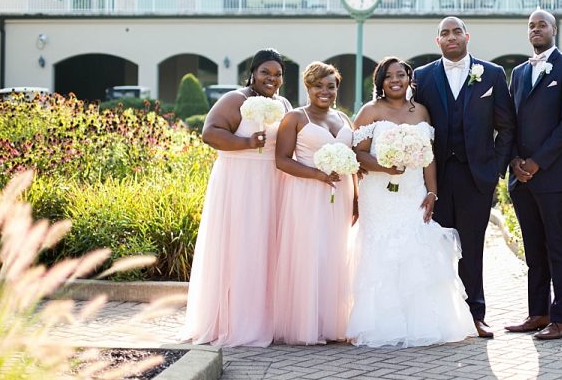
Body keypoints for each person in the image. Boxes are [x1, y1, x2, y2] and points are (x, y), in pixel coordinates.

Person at [346, 57, 476, 347]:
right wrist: (384, 166)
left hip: (413, 191)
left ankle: (422, 320)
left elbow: (428, 157)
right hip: (379, 193)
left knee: (415, 246)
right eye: (389, 76)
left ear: (409, 79)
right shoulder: (370, 111)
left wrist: (432, 192)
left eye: (401, 75)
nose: (396, 80)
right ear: (380, 81)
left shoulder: (421, 112)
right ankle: (383, 324)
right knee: (382, 250)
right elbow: (357, 153)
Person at [413, 17, 516, 339]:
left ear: (467, 36)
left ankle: (476, 315)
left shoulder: (493, 74)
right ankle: (438, 315)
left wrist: (495, 167)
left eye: (457, 31)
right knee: (437, 247)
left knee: (472, 248)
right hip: (435, 179)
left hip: (477, 177)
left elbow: (507, 126)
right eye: (445, 33)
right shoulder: (422, 76)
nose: (451, 37)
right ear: (437, 41)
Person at [182, 48, 291, 347]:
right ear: (253, 73)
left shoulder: (283, 103)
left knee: (267, 247)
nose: (272, 78)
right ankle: (234, 320)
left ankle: (265, 318)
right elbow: (209, 133)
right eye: (265, 72)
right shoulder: (235, 100)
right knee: (240, 245)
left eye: (277, 73)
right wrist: (245, 142)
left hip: (272, 181)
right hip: (239, 182)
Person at [505, 10, 562, 341]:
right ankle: (537, 313)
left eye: (542, 25)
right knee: (533, 248)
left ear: (554, 30)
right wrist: (513, 161)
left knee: (557, 245)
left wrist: (537, 161)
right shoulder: (520, 72)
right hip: (521, 178)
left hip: (552, 176)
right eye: (531, 26)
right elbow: (510, 121)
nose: (536, 29)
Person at [273, 62, 355, 345]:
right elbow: (281, 160)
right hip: (307, 193)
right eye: (318, 85)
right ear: (308, 87)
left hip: (340, 194)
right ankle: (307, 324)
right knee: (310, 253)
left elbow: (353, 159)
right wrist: (318, 175)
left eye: (330, 86)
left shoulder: (344, 119)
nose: (325, 91)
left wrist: (355, 200)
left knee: (335, 253)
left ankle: (332, 322)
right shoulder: (295, 118)